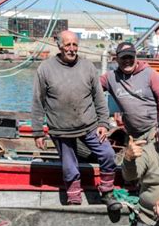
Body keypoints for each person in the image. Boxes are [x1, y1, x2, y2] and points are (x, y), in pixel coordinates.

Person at [32, 30, 121, 211]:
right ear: (59, 46)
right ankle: (74, 199)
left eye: (75, 45)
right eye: (67, 45)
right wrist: (37, 132)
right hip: (60, 128)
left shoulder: (87, 66)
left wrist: (103, 123)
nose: (72, 49)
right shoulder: (45, 68)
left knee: (108, 154)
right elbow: (38, 101)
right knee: (70, 166)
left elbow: (99, 98)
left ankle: (107, 191)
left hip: (89, 125)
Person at [99, 42, 159, 142]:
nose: (127, 61)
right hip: (132, 134)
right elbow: (91, 89)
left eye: (130, 57)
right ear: (117, 59)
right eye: (124, 58)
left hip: (152, 131)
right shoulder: (110, 78)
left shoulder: (150, 74)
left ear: (136, 57)